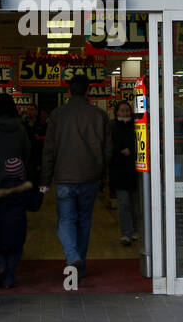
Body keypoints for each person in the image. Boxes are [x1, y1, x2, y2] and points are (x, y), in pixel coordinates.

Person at [40, 73, 111, 282]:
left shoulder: (58, 114)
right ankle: (80, 264)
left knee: (66, 220)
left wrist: (44, 180)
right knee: (84, 221)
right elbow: (108, 149)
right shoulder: (99, 115)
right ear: (89, 91)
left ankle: (72, 258)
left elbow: (49, 150)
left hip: (64, 177)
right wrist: (101, 170)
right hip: (90, 177)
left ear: (68, 92)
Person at [0, 94, 35, 287]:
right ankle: (10, 272)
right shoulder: (20, 129)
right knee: (15, 230)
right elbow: (28, 154)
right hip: (16, 185)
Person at [110, 100, 140, 245]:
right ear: (117, 112)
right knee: (124, 204)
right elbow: (109, 147)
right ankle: (126, 233)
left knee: (135, 204)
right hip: (119, 172)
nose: (125, 112)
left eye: (127, 110)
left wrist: (132, 152)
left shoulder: (136, 127)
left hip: (135, 172)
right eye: (122, 110)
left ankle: (135, 230)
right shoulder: (112, 127)